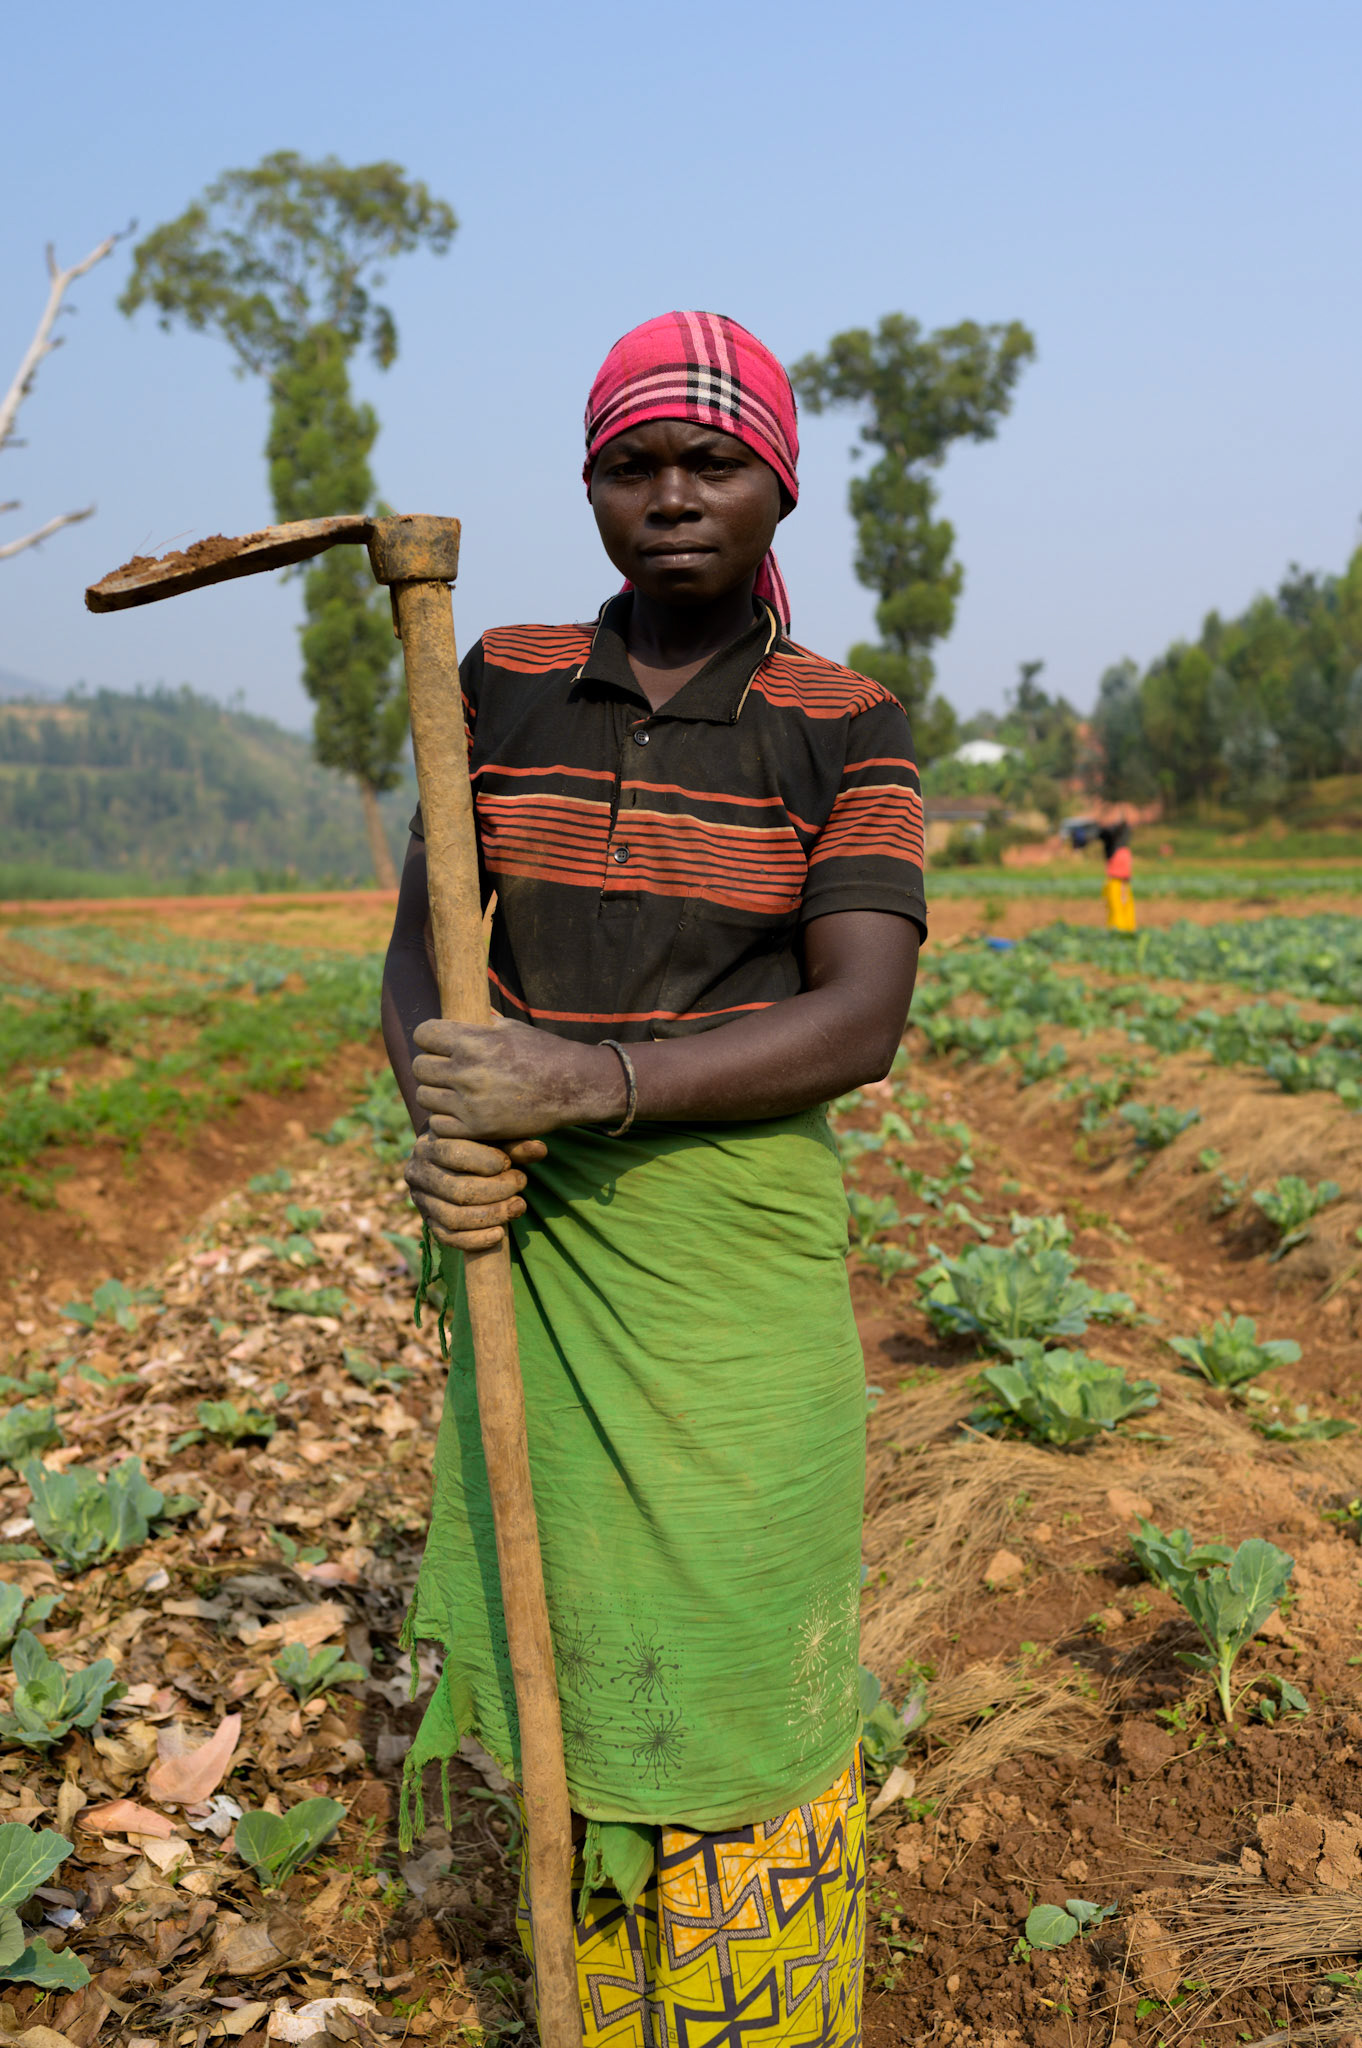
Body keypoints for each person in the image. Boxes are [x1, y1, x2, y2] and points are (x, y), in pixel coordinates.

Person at [381, 309, 927, 2047]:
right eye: (633, 464)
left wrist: (590, 1077)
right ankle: (600, 1995)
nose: (671, 493)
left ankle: (748, 2004)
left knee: (735, 1624)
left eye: (710, 461)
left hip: (727, 1263)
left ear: (779, 482)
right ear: (592, 488)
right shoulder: (506, 684)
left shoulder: (844, 722)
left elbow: (857, 1017)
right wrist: (453, 1110)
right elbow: (423, 958)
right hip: (533, 1244)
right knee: (577, 1645)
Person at [1063, 816, 1136, 932]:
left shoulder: (1109, 834)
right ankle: (1125, 929)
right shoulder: (1122, 833)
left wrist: (1079, 843)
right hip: (1123, 878)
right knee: (1123, 902)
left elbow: (1093, 836)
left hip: (1116, 877)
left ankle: (1118, 930)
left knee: (1116, 904)